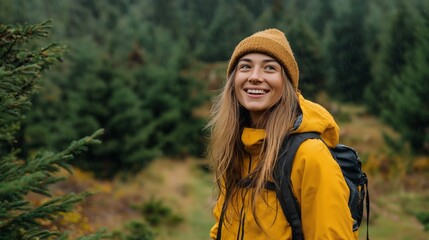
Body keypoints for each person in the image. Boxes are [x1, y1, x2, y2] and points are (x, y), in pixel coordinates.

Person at [207, 28, 358, 239]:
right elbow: (222, 229)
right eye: (245, 67)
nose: (255, 77)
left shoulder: (309, 155)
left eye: (269, 68)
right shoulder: (236, 148)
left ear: (286, 83)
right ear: (233, 80)